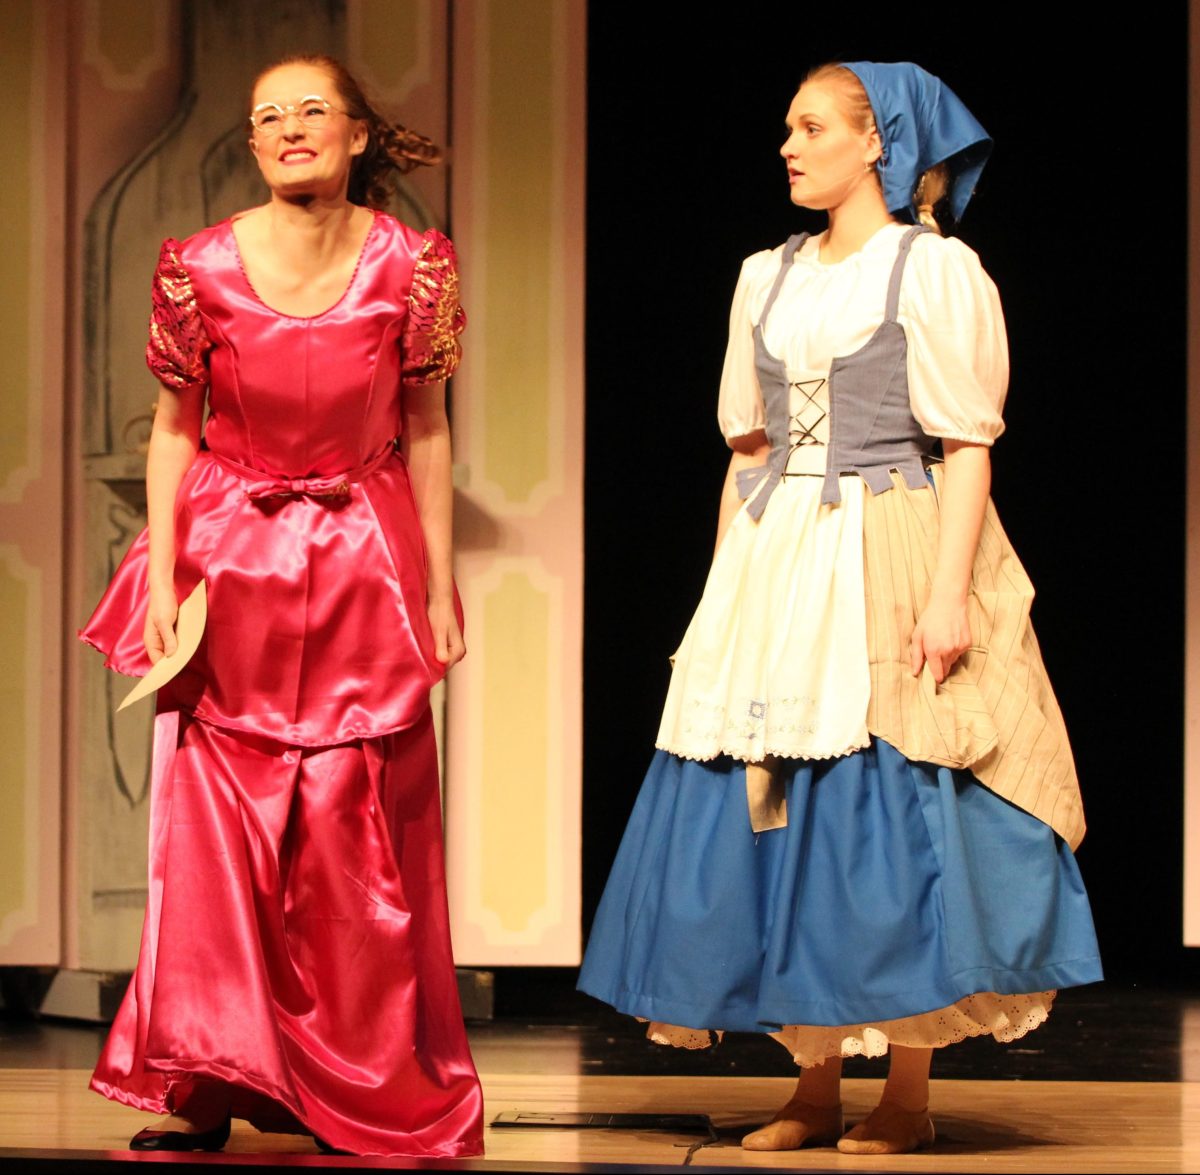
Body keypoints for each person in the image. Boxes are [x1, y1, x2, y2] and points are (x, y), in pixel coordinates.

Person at [578, 61, 1101, 1156]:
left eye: (812, 126)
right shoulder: (763, 275)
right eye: (788, 127)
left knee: (894, 807)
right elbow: (747, 449)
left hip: (888, 537)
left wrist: (948, 593)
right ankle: (813, 1083)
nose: (789, 145)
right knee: (782, 809)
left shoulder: (933, 269)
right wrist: (719, 596)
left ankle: (906, 1090)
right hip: (778, 551)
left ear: (877, 143)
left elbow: (966, 444)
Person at [79, 54, 483, 1158]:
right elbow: (175, 430)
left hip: (362, 561)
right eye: (270, 117)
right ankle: (210, 1076)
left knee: (354, 836)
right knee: (217, 832)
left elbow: (428, 428)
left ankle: (361, 1082)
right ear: (254, 144)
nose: (291, 128)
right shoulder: (195, 266)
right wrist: (163, 576)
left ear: (357, 135)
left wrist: (438, 581)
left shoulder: (417, 263)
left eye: (313, 111)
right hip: (232, 562)